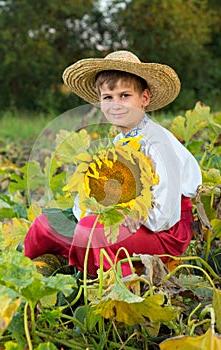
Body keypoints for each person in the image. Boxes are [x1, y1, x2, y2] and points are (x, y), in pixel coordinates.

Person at [24, 50, 202, 277]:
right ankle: (34, 276)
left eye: (125, 95)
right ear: (100, 101)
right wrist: (92, 210)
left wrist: (121, 213)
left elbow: (165, 215)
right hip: (120, 220)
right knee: (45, 225)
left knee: (92, 232)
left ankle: (115, 284)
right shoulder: (118, 143)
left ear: (144, 98)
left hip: (164, 232)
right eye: (108, 97)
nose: (116, 104)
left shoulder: (159, 144)